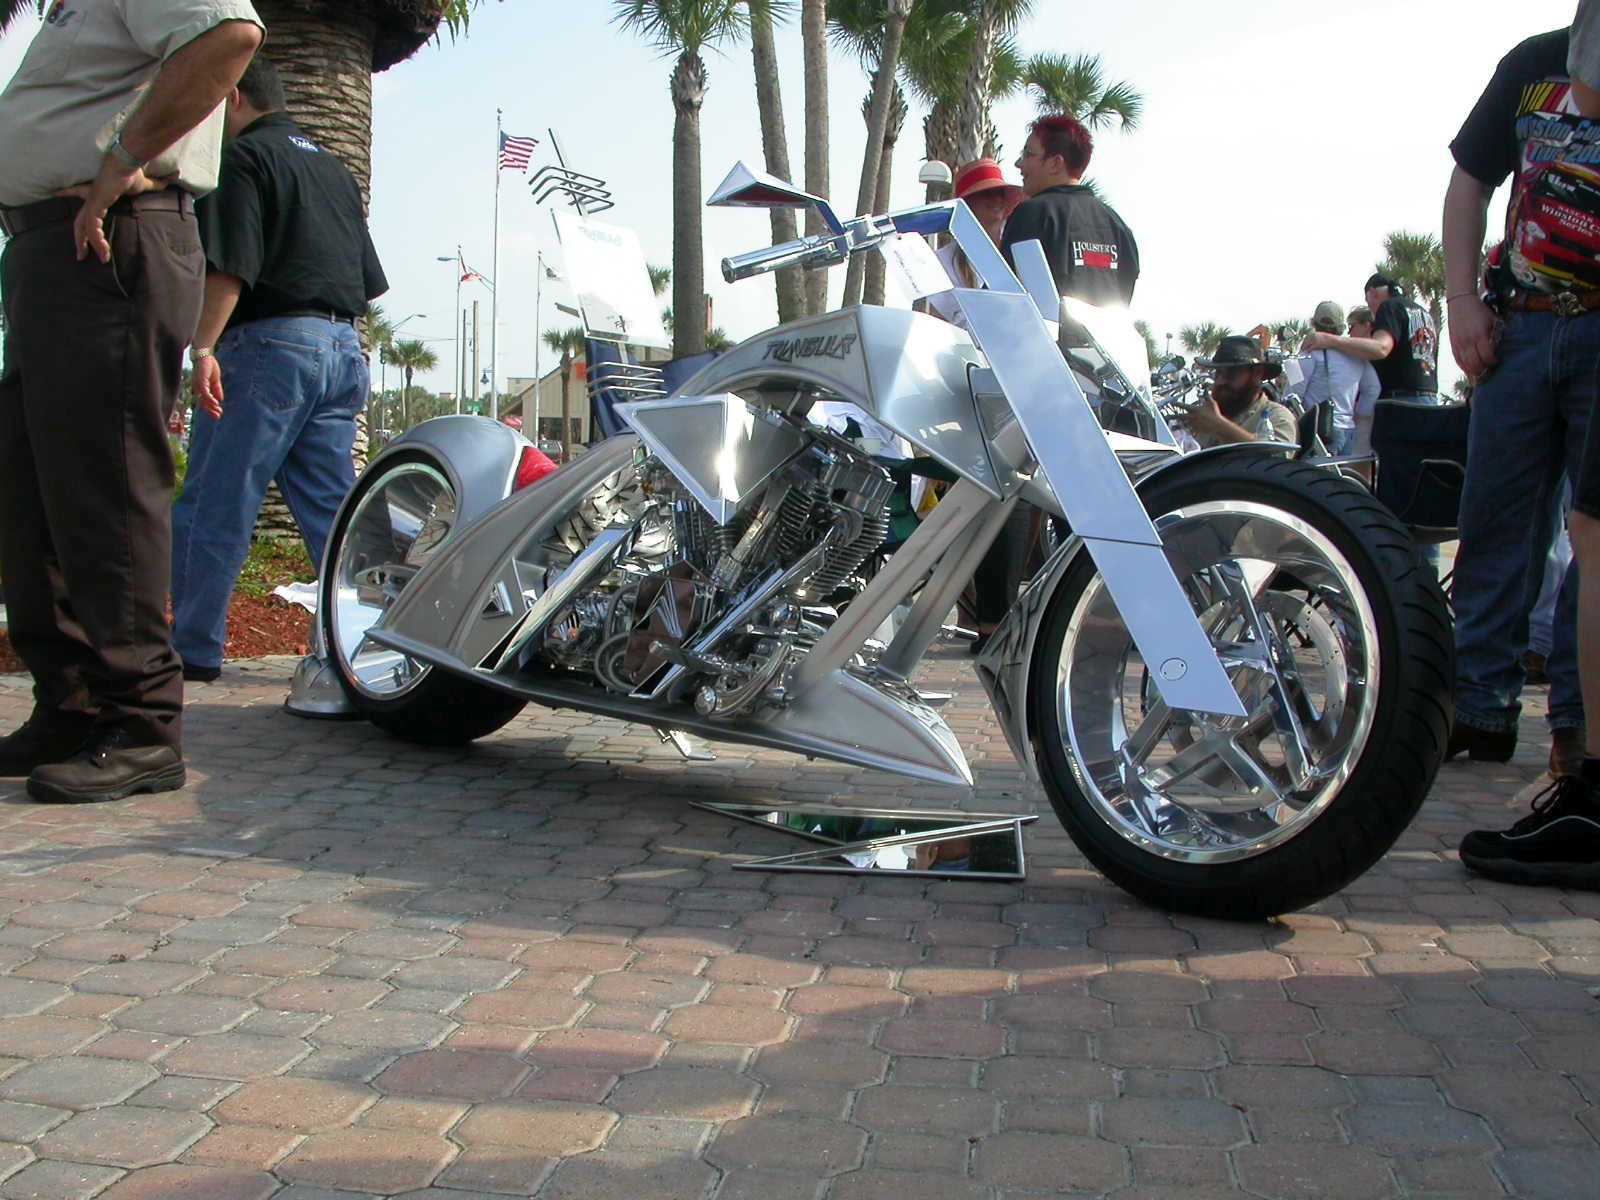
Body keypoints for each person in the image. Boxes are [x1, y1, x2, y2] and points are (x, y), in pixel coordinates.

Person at [0, 2, 264, 803]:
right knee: (33, 489)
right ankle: (73, 705)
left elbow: (230, 34)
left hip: (109, 234)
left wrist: (123, 156)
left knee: (106, 488)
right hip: (54, 244)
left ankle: (143, 725)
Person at [170, 57, 387, 684]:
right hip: (342, 349)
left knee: (215, 501)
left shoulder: (244, 159)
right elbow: (366, 281)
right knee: (335, 514)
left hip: (269, 347)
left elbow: (231, 267)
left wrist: (203, 349)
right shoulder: (333, 168)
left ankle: (191, 651)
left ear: (234, 96)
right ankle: (373, 644)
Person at [1459, 7, 1600, 889]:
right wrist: (1462, 301)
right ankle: (1478, 710)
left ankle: (1577, 737)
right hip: (1523, 321)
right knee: (1497, 521)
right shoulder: (1533, 61)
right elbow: (1469, 179)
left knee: (1592, 539)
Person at [1001, 114, 1139, 305]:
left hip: (1046, 325)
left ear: (1055, 163)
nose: (1019, 163)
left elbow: (1006, 293)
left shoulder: (1032, 214)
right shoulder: (1118, 225)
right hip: (1105, 325)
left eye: (1028, 155)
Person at [1302, 275, 1439, 402]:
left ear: (1372, 292)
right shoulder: (1422, 312)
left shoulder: (1389, 306)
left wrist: (1329, 340)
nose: (1373, 313)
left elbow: (1381, 348)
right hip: (1430, 399)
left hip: (1401, 401)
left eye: (1368, 303)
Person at [926, 157, 1022, 328]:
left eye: (1000, 193)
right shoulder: (942, 261)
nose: (996, 199)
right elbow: (938, 323)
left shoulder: (1019, 251)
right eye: (986, 193)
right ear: (967, 203)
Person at [1177, 335, 1298, 449]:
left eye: (1231, 374)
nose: (1220, 381)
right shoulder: (1206, 419)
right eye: (1218, 373)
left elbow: (1277, 457)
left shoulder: (1277, 416)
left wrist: (1219, 427)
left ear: (1257, 373)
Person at [1297, 301, 1380, 456]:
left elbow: (1293, 392)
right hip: (1349, 429)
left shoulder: (1309, 351)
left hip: (1319, 431)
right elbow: (1373, 389)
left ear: (1314, 323)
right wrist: (1358, 415)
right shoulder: (1356, 355)